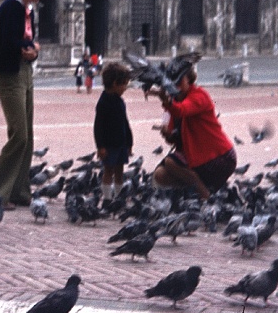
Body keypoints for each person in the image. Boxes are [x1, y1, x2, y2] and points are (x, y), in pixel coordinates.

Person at [0, 0, 55, 211]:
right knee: (19, 135)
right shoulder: (9, 8)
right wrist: (30, 47)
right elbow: (11, 42)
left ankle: (19, 190)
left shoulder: (27, 10)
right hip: (10, 74)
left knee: (28, 136)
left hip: (25, 71)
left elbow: (29, 42)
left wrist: (33, 51)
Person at [148, 64, 236, 201]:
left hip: (219, 157)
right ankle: (194, 194)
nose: (175, 83)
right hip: (197, 155)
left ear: (189, 80)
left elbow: (182, 110)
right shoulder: (175, 101)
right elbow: (173, 140)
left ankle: (205, 197)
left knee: (171, 162)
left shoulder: (199, 95)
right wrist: (167, 133)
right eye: (172, 80)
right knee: (160, 175)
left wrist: (165, 99)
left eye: (179, 79)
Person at [93, 62, 134, 209]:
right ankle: (107, 198)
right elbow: (98, 127)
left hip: (121, 142)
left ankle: (118, 198)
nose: (125, 88)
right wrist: (100, 146)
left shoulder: (120, 101)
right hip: (109, 144)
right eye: (124, 85)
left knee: (119, 171)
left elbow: (125, 122)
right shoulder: (103, 103)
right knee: (108, 170)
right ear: (115, 83)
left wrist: (129, 142)